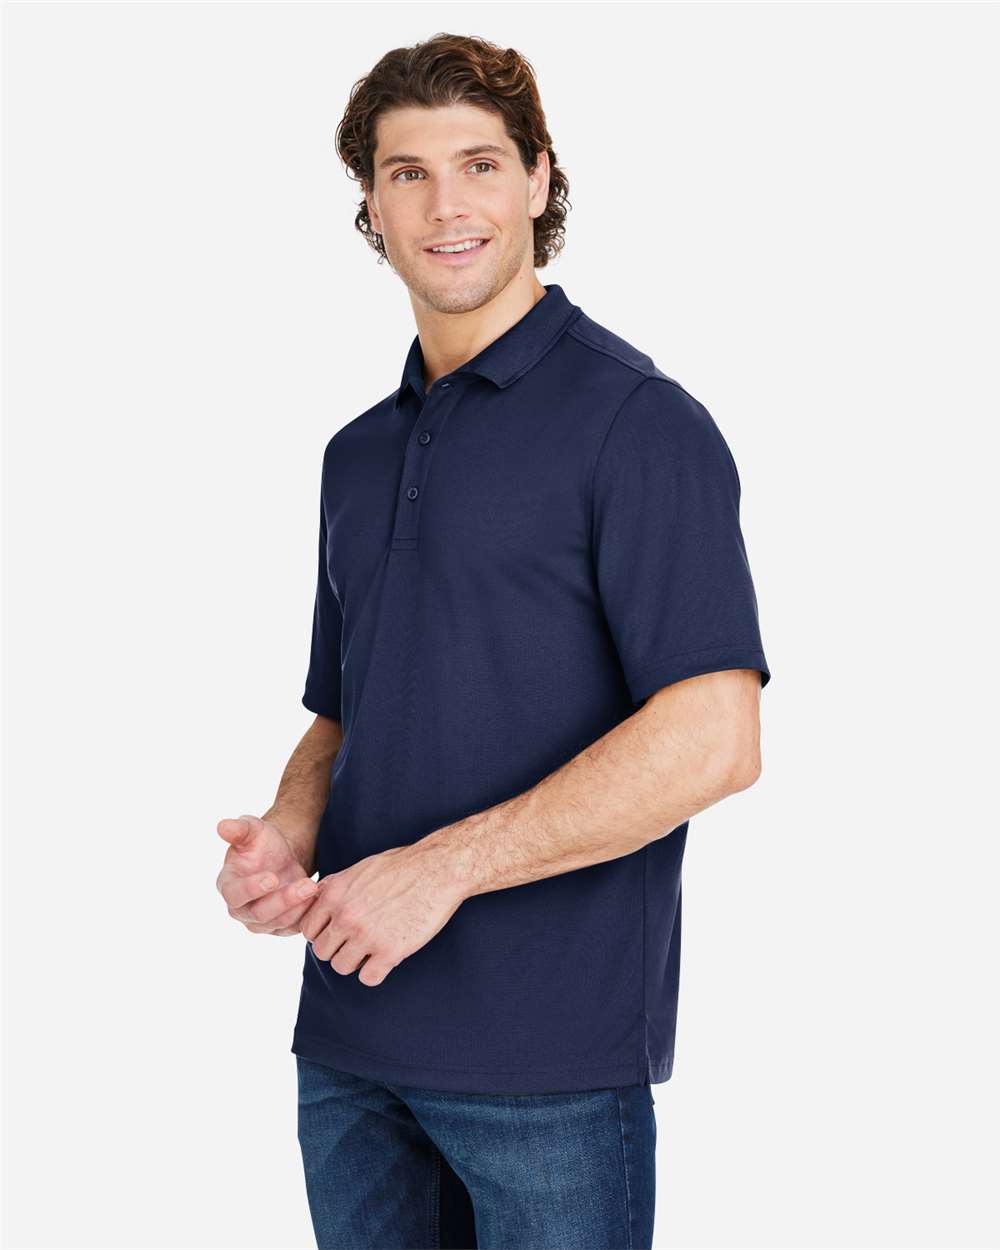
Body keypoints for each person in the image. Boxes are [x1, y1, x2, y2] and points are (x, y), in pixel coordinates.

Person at [216, 31, 771, 1250]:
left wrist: (442, 868)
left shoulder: (639, 424)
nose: (445, 205)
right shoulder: (356, 453)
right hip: (350, 1042)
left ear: (537, 179)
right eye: (407, 172)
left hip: (547, 1066)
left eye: (478, 164)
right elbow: (347, 710)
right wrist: (289, 828)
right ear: (370, 202)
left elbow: (715, 737)